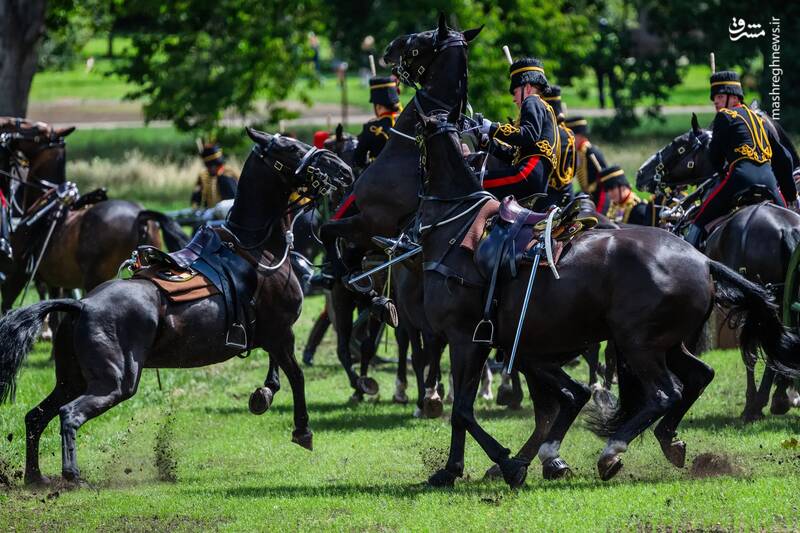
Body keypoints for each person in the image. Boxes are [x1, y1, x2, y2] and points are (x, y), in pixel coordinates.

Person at [685, 70, 797, 248]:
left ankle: (690, 253)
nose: (716, 103)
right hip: (769, 181)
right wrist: (790, 194)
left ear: (734, 97)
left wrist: (721, 169)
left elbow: (715, 157)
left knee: (699, 219)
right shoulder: (760, 120)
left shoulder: (723, 116)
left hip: (740, 179)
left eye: (720, 97)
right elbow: (785, 158)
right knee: (790, 220)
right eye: (714, 99)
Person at [476, 58, 564, 207]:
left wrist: (492, 128)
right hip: (535, 179)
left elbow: (527, 135)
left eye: (515, 92)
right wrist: (487, 142)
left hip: (526, 173)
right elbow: (514, 155)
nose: (513, 99)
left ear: (527, 88)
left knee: (472, 180)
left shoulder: (532, 101)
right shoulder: (543, 107)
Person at [353, 76, 401, 171]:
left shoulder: (371, 127)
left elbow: (358, 159)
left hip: (380, 175)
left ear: (378, 106)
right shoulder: (407, 120)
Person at [566, 115, 609, 213]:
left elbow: (605, 182)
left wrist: (600, 210)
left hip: (598, 198)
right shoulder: (577, 153)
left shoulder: (591, 152)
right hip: (587, 196)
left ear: (579, 136)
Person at [191, 143, 238, 209]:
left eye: (209, 166)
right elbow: (196, 201)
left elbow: (233, 201)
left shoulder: (227, 176)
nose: (208, 169)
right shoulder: (203, 177)